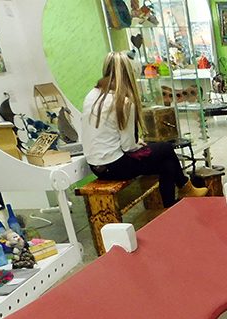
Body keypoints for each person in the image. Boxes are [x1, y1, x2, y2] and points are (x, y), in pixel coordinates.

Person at [82, 52, 206, 207]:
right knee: (167, 149)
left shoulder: (92, 95)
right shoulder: (123, 102)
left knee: (166, 162)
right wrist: (138, 144)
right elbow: (128, 146)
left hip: (96, 166)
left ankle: (172, 202)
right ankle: (184, 188)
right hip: (115, 166)